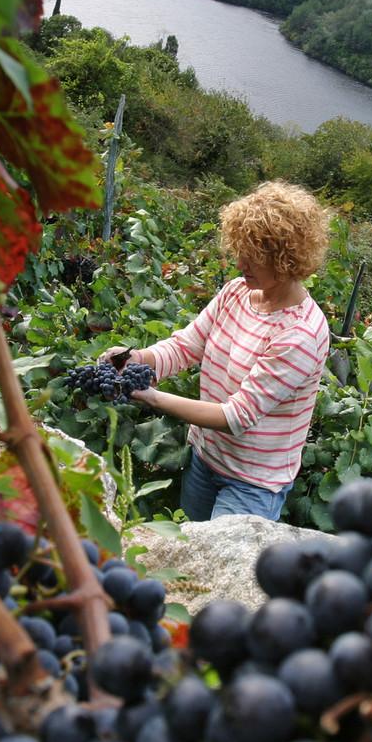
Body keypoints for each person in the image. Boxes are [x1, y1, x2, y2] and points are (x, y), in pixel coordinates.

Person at [105, 181, 332, 522]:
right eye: (240, 249)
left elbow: (235, 417)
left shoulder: (300, 334)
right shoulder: (237, 293)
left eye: (254, 256)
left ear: (286, 259)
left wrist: (151, 397)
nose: (241, 262)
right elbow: (185, 347)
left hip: (252, 486)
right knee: (187, 562)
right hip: (205, 458)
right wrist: (137, 359)